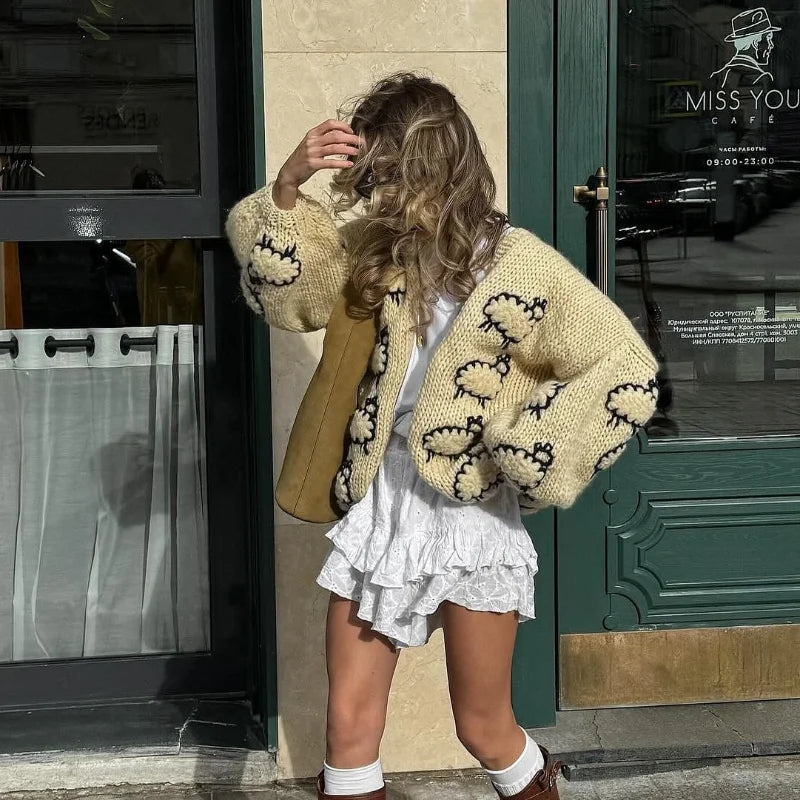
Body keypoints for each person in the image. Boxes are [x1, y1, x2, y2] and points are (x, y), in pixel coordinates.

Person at [226, 72, 659, 800]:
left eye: (388, 171)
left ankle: (538, 782)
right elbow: (294, 304)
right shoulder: (372, 252)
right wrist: (287, 190)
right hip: (382, 500)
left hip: (468, 514)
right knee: (347, 728)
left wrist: (526, 448)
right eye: (370, 174)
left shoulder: (518, 265)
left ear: (432, 162)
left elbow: (626, 368)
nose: (375, 190)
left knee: (482, 726)